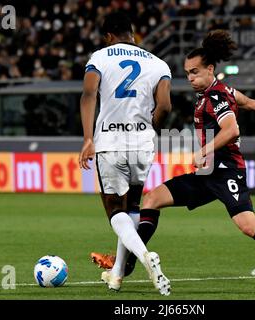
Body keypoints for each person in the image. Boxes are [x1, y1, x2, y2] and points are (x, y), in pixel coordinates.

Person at [92, 29, 255, 290]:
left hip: (227, 172)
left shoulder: (216, 96)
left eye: (195, 72)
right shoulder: (222, 91)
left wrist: (204, 150)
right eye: (187, 73)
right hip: (207, 174)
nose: (190, 77)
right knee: (152, 200)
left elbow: (232, 129)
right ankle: (124, 265)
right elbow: (248, 102)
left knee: (248, 226)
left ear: (210, 69)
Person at [79, 11, 172, 295]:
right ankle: (117, 274)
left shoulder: (100, 57)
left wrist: (86, 139)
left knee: (115, 212)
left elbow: (89, 94)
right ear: (132, 34)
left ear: (108, 36)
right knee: (133, 207)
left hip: (110, 142)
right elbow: (165, 106)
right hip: (142, 145)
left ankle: (145, 255)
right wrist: (150, 127)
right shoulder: (159, 64)